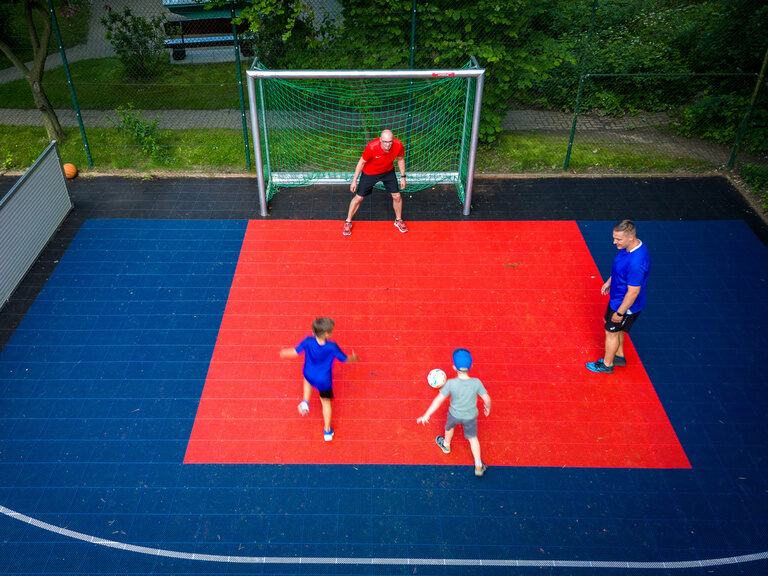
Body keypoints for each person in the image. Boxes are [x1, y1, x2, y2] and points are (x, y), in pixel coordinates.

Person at [586, 219, 650, 374]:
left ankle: (607, 365)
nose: (615, 242)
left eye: (618, 239)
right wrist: (610, 281)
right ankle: (619, 356)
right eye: (614, 238)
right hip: (617, 299)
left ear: (631, 236)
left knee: (611, 331)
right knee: (609, 325)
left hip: (625, 306)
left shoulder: (637, 262)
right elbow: (620, 270)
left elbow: (633, 292)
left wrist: (620, 313)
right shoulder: (628, 247)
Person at [280, 317, 358, 441]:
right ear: (328, 334)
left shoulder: (307, 341)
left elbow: (295, 352)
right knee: (326, 402)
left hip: (309, 373)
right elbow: (344, 359)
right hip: (324, 380)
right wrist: (354, 358)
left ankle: (306, 401)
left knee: (307, 380)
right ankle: (327, 431)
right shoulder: (332, 347)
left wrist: (284, 353)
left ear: (313, 331)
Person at [417, 349, 491, 477]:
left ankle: (446, 446)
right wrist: (487, 407)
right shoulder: (476, 383)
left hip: (454, 414)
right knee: (473, 439)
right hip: (470, 416)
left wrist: (427, 414)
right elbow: (487, 399)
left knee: (449, 428)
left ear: (453, 367)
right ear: (471, 366)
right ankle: (478, 466)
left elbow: (438, 400)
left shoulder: (450, 384)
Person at [344, 129, 408, 236]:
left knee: (397, 196)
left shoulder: (398, 144)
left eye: (390, 141)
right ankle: (348, 221)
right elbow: (361, 163)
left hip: (387, 171)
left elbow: (400, 159)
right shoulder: (372, 147)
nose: (388, 145)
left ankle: (398, 220)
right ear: (380, 140)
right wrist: (354, 181)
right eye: (385, 142)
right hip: (370, 173)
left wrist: (403, 177)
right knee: (359, 198)